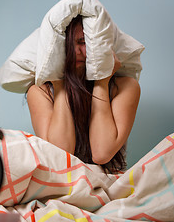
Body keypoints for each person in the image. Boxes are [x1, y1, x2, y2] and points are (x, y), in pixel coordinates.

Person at [26, 15, 141, 173]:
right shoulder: (39, 92)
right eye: (66, 45)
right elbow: (60, 157)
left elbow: (101, 154)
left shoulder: (125, 87)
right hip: (63, 181)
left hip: (110, 182)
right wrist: (59, 85)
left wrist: (101, 82)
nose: (75, 52)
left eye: (83, 42)